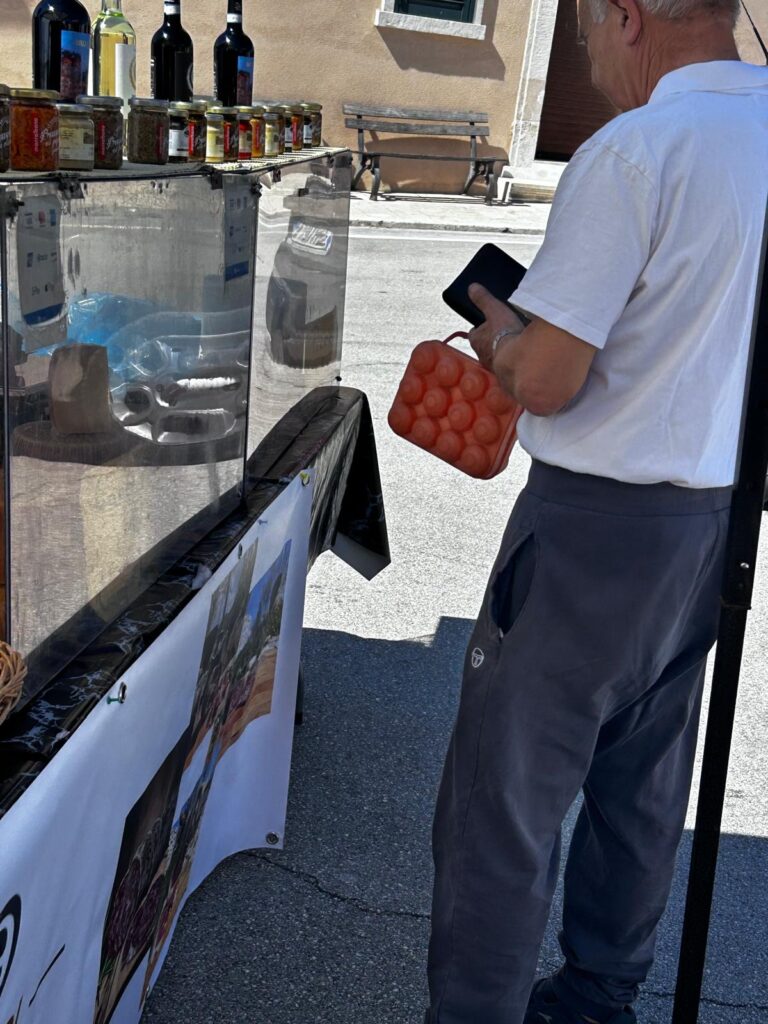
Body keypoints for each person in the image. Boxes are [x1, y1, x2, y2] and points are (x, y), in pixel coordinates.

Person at [424, 0, 768, 1021]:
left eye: (583, 41)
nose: (591, 62)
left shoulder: (636, 151)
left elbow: (553, 376)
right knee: (642, 790)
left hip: (592, 527)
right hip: (716, 520)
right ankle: (596, 998)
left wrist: (502, 338)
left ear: (627, 15)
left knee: (505, 803)